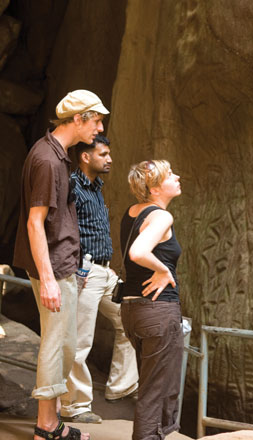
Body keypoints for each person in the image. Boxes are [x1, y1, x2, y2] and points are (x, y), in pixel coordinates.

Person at [13, 89, 109, 440]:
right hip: (53, 266)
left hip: (63, 264)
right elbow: (34, 223)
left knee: (65, 344)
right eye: (96, 120)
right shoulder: (48, 160)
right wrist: (50, 279)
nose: (99, 127)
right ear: (78, 118)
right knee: (56, 345)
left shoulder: (55, 153)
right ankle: (46, 427)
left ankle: (51, 422)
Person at [59, 135, 139, 424]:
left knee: (129, 321)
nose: (110, 159)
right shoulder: (72, 186)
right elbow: (58, 228)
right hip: (85, 271)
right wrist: (78, 267)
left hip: (104, 272)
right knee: (79, 341)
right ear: (85, 157)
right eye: (103, 154)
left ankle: (121, 386)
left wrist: (108, 270)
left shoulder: (96, 187)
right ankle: (75, 406)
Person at [119, 159, 183, 440]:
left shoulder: (133, 212)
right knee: (155, 391)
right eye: (170, 175)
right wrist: (164, 269)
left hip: (133, 310)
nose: (177, 176)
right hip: (157, 311)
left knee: (151, 386)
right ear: (155, 188)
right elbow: (138, 252)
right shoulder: (161, 216)